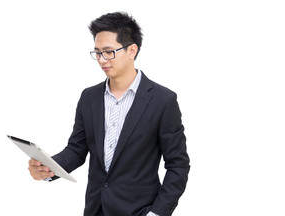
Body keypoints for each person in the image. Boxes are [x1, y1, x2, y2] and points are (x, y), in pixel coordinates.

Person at [28, 12, 190, 216]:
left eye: (108, 52)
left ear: (132, 50)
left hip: (140, 210)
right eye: (97, 52)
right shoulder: (89, 97)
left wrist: (157, 212)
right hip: (96, 209)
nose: (101, 60)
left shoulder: (162, 100)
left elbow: (178, 164)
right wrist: (48, 168)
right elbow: (76, 150)